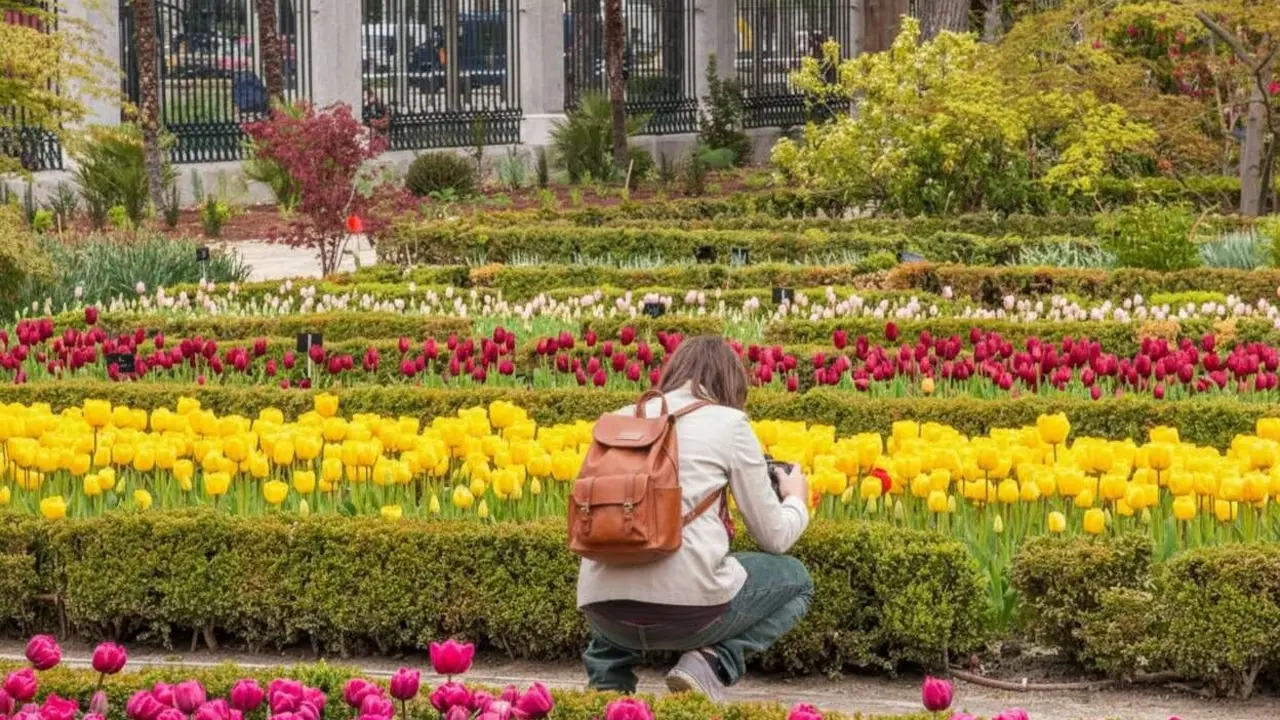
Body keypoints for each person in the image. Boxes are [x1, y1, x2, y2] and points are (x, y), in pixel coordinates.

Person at [577, 335, 813, 701]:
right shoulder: (730, 423)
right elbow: (775, 538)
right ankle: (713, 661)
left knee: (621, 558)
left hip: (604, 613)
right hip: (690, 614)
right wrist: (796, 499)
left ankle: (607, 692)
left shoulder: (617, 421)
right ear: (731, 383)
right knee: (798, 581)